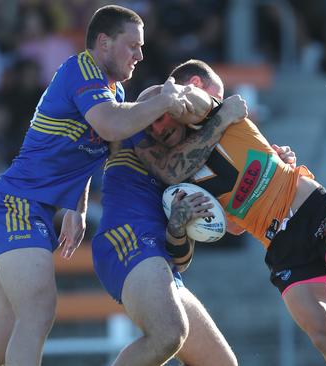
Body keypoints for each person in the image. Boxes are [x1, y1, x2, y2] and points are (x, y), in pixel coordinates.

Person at [0, 5, 195, 366]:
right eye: (132, 45)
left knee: (1, 341)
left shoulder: (113, 93)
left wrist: (79, 205)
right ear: (103, 42)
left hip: (19, 207)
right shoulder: (82, 69)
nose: (140, 55)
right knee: (39, 312)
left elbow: (90, 150)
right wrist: (165, 99)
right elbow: (109, 127)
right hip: (17, 206)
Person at [139, 60, 326, 366]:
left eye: (161, 115)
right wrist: (193, 222)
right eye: (150, 125)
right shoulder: (180, 178)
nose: (158, 128)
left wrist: (176, 95)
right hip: (279, 245)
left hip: (311, 208)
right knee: (325, 338)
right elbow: (236, 227)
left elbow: (200, 100)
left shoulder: (213, 110)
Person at [92, 84, 247, 365]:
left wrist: (177, 226)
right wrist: (223, 118)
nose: (157, 127)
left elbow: (182, 260)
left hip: (157, 258)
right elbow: (168, 170)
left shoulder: (195, 161)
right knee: (167, 334)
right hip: (127, 237)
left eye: (165, 115)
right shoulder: (139, 121)